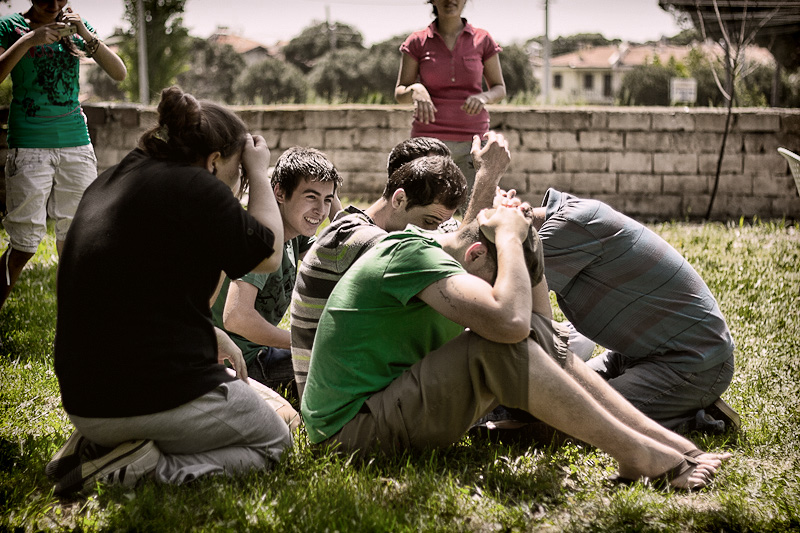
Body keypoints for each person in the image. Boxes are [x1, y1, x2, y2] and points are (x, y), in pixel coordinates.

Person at [301, 204, 732, 491]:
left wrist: (522, 245)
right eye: (498, 277)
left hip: (384, 410)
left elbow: (538, 328)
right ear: (473, 255)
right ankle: (640, 455)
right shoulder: (410, 255)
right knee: (496, 345)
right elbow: (509, 325)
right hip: (349, 434)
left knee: (531, 337)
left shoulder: (452, 255)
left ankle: (666, 446)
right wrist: (508, 237)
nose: (499, 289)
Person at [49, 86, 292, 495]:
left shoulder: (116, 177)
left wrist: (209, 332)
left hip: (84, 400)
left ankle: (98, 447)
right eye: (237, 176)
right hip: (151, 394)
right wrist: (259, 172)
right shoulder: (198, 185)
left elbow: (130, 290)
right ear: (215, 161)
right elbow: (268, 253)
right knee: (275, 441)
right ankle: (137, 468)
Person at [290, 133, 511, 398]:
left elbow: (460, 244)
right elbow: (456, 262)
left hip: (374, 382)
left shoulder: (417, 229)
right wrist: (487, 177)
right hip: (348, 397)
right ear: (401, 192)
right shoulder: (350, 236)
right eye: (433, 179)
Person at [529, 188, 737, 432]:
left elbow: (512, 305)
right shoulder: (568, 215)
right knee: (555, 394)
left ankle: (690, 416)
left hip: (690, 362)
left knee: (568, 420)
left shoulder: (561, 232)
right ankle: (672, 406)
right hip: (633, 353)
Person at [0, 0, 127, 310]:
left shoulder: (74, 25)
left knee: (77, 242)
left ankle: (76, 328)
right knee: (24, 246)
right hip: (30, 144)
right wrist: (31, 39)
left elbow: (119, 72)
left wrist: (83, 31)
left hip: (76, 145)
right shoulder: (10, 26)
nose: (54, 4)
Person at [212, 146, 342, 395]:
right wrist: (303, 342)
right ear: (280, 193)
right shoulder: (265, 238)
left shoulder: (295, 233)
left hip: (261, 353)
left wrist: (330, 188)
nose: (321, 211)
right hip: (240, 363)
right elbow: (236, 317)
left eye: (327, 200)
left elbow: (340, 257)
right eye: (311, 197)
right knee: (343, 364)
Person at [395, 0, 506, 203]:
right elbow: (400, 93)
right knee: (423, 210)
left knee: (478, 214)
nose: (450, 0)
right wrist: (415, 89)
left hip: (472, 143)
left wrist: (483, 97)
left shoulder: (483, 39)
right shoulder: (417, 41)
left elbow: (499, 88)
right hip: (428, 143)